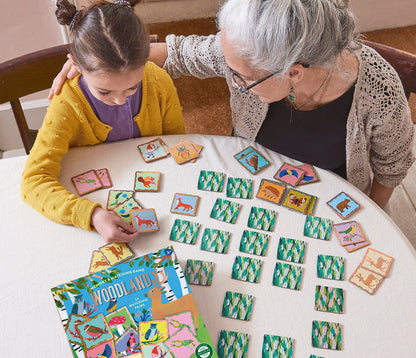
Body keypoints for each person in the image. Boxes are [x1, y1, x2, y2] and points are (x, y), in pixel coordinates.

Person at [50, 0, 414, 208]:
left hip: (331, 196)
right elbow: (179, 54)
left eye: (240, 76)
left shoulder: (379, 90)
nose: (232, 80)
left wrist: (373, 213)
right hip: (253, 179)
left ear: (293, 74)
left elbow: (392, 167)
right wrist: (97, 61)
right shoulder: (243, 56)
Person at [22, 0, 185, 243]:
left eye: (132, 87)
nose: (120, 100)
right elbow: (33, 182)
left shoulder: (159, 81)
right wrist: (93, 215)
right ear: (74, 65)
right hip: (91, 208)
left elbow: (177, 146)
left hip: (155, 198)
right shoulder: (67, 103)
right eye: (105, 92)